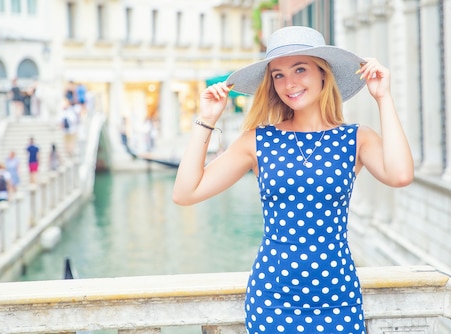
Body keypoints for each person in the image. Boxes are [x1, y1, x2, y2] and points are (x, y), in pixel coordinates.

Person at [172, 26, 414, 334]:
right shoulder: (257, 141)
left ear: (323, 74)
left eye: (300, 69)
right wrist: (206, 119)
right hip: (273, 298)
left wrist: (384, 98)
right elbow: (185, 192)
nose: (290, 83)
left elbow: (401, 174)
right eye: (278, 75)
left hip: (337, 295)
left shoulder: (355, 138)